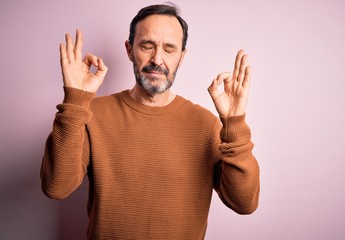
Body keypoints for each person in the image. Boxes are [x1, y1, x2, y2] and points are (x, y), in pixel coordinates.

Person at [41, 3, 260, 240]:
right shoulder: (91, 113)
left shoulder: (206, 125)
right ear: (129, 49)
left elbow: (244, 203)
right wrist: (75, 101)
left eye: (169, 49)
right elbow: (56, 187)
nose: (157, 59)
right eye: (147, 46)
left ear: (182, 57)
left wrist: (234, 123)